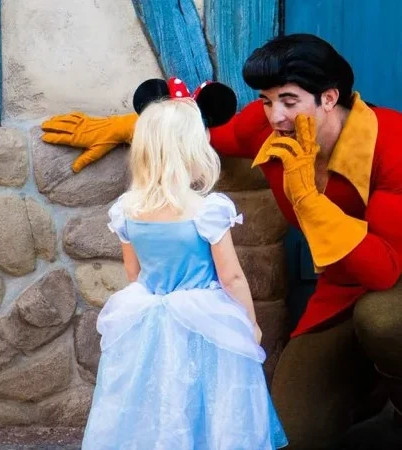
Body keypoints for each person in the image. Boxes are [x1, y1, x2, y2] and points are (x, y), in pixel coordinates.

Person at [44, 34, 402, 450]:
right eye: (268, 101)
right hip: (341, 290)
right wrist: (131, 127)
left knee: (384, 319)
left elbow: (383, 269)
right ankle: (382, 378)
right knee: (289, 434)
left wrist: (306, 195)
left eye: (289, 101)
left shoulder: (396, 140)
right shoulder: (269, 127)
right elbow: (205, 135)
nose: (274, 116)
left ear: (329, 97)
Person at [79, 77, 288, 450]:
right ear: (194, 149)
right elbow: (232, 277)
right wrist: (250, 324)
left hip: (149, 315)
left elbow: (134, 274)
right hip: (205, 318)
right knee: (210, 398)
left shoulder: (126, 211)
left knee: (156, 400)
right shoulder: (207, 211)